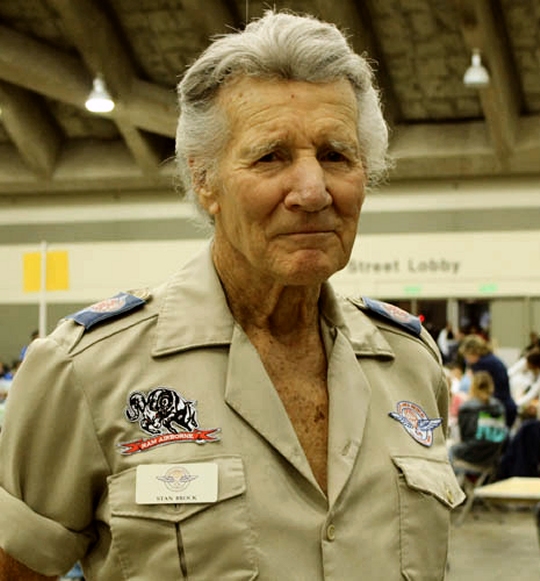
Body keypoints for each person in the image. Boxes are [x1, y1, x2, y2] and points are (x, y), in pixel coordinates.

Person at [0, 10, 464, 580]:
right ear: (204, 179)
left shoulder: (412, 366)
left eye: (335, 155)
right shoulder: (88, 373)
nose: (313, 190)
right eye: (271, 156)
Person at [448, 371, 508, 468]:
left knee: (447, 450)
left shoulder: (467, 408)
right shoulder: (499, 407)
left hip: (473, 455)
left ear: (473, 386)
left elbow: (464, 437)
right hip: (494, 458)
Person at [459, 334, 517, 429]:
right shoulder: (491, 360)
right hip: (507, 407)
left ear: (473, 352)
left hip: (498, 410)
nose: (467, 361)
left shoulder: (482, 364)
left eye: (467, 356)